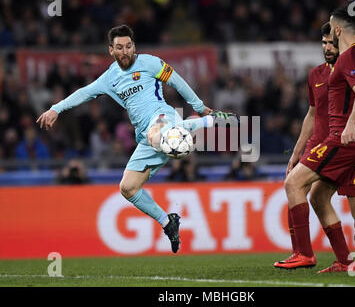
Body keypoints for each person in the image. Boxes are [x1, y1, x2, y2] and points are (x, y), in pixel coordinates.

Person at [37, 24, 237, 254]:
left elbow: (177, 82)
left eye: (129, 46)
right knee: (128, 188)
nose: (125, 51)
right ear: (111, 50)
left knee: (156, 134)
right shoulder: (109, 78)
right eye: (120, 47)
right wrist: (56, 109)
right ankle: (167, 222)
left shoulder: (150, 63)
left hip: (163, 118)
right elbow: (83, 93)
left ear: (134, 46)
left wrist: (200, 108)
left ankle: (212, 121)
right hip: (144, 136)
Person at [275, 8, 355, 272]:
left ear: (338, 32)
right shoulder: (321, 73)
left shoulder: (352, 60)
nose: (328, 46)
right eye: (324, 43)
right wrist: (296, 152)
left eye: (331, 39)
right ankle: (346, 261)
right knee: (317, 197)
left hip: (346, 142)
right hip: (334, 143)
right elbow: (311, 114)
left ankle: (306, 253)